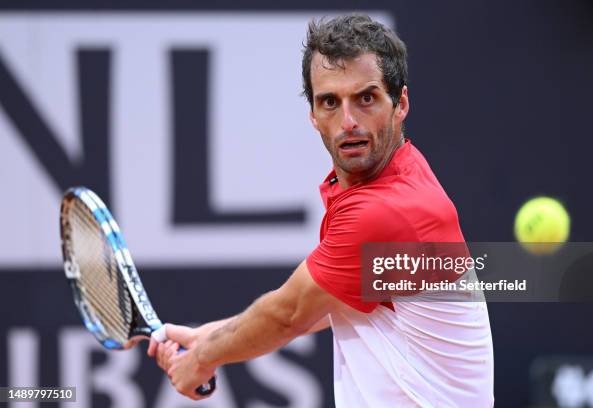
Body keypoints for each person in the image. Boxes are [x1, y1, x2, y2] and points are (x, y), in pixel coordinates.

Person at [147, 14, 494, 407]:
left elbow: (288, 313)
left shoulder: (385, 212)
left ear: (401, 104)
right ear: (313, 114)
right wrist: (209, 336)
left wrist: (202, 359)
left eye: (366, 98)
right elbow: (326, 305)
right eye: (330, 102)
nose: (348, 121)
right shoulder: (396, 173)